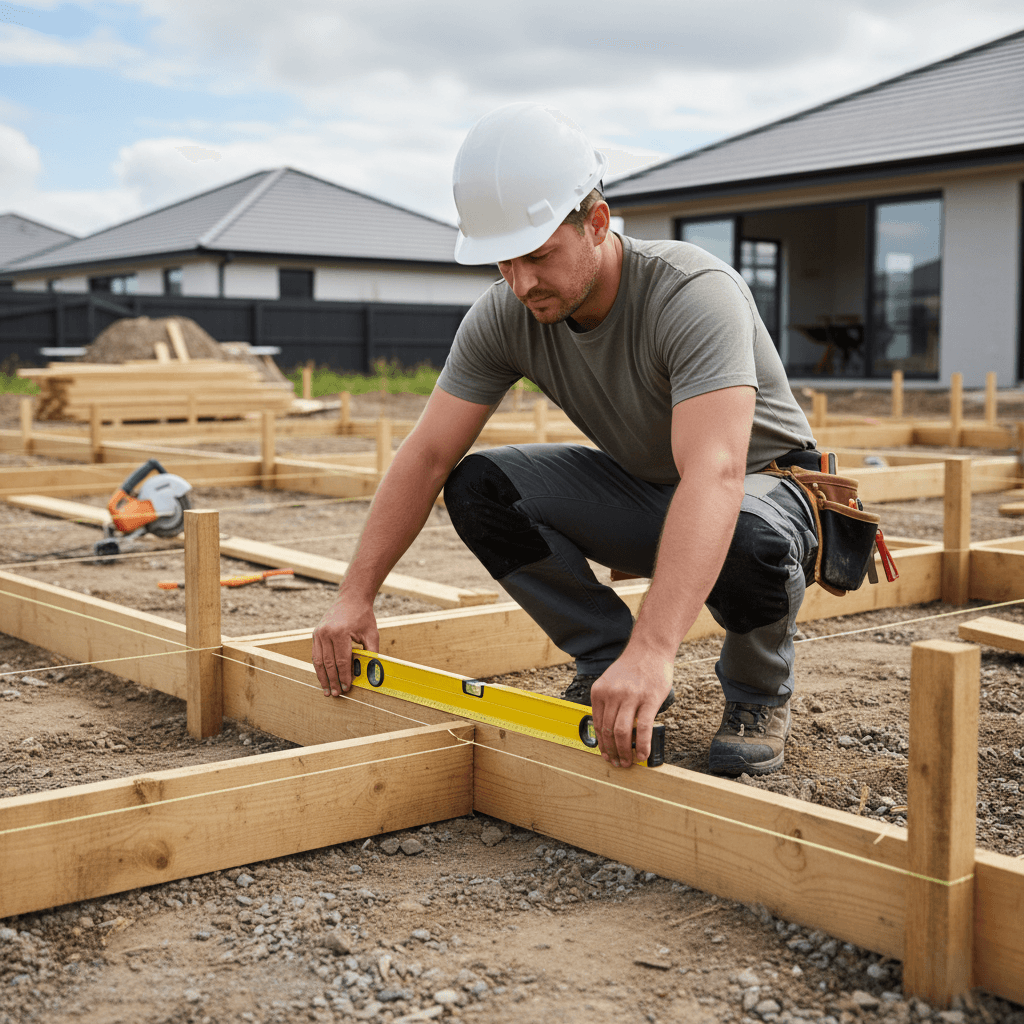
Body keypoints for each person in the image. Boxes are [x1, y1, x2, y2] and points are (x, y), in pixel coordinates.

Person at [312, 102, 819, 776]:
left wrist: (657, 648)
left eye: (539, 255)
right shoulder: (506, 315)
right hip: (656, 492)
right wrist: (356, 595)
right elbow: (429, 454)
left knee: (751, 532)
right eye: (502, 263)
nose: (521, 282)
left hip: (766, 493)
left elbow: (718, 472)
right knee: (479, 487)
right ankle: (605, 658)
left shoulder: (692, 292)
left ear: (597, 223)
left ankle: (757, 692)